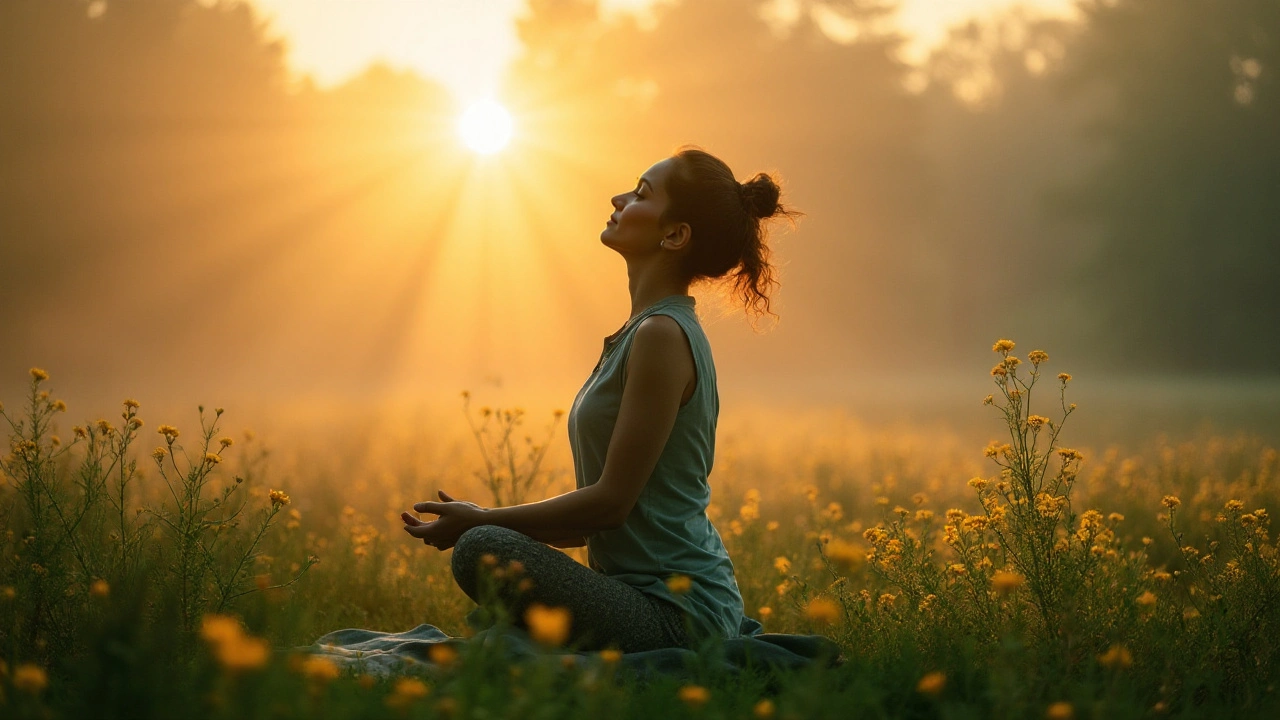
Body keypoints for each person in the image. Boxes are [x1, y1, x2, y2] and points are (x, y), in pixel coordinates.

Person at [401, 146, 795, 653]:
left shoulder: (661, 335)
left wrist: (482, 521)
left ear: (674, 235)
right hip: (638, 594)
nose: (618, 198)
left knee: (482, 548)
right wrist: (487, 522)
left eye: (641, 193)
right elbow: (599, 527)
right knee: (488, 545)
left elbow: (609, 506)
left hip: (679, 611)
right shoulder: (644, 332)